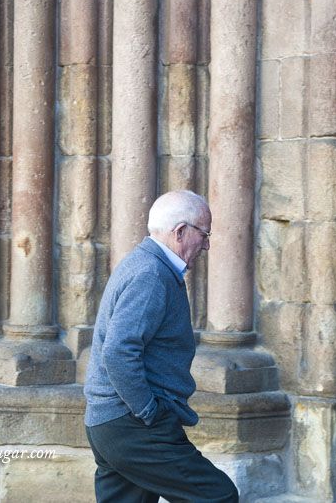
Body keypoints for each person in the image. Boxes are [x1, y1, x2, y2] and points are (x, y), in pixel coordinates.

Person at [84, 190, 239, 503]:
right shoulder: (151, 273)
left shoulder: (146, 265)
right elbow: (118, 352)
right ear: (180, 232)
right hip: (132, 424)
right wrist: (149, 413)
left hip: (112, 425)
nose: (207, 244)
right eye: (204, 234)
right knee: (217, 496)